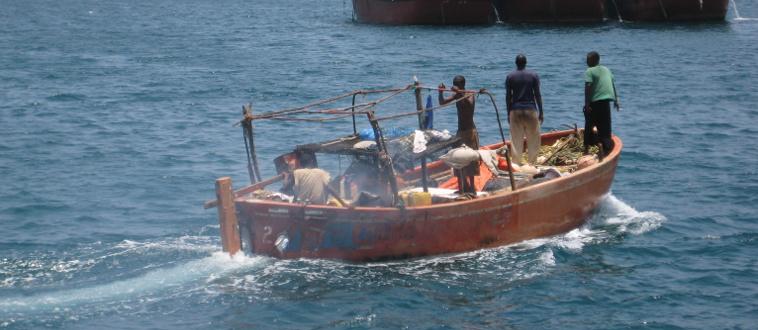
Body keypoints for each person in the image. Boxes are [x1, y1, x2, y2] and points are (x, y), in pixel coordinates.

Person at [439, 75, 479, 194]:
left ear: (462, 85)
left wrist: (460, 93)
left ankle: (472, 188)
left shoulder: (469, 94)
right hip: (460, 132)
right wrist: (440, 92)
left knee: (471, 160)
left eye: (457, 84)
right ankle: (462, 187)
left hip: (470, 132)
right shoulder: (457, 94)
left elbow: (470, 105)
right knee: (458, 160)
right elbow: (442, 103)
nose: (455, 86)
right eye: (454, 84)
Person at [505, 54, 543, 165]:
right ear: (526, 63)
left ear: (516, 63)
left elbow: (508, 96)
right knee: (533, 139)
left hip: (515, 110)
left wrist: (508, 112)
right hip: (530, 109)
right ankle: (532, 163)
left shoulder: (510, 76)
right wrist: (541, 112)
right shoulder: (533, 75)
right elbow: (537, 95)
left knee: (516, 140)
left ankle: (516, 164)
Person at [583, 51, 620, 155]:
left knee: (589, 126)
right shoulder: (607, 70)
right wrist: (617, 100)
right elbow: (613, 85)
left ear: (592, 61)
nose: (586, 62)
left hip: (595, 103)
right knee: (605, 128)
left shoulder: (589, 71)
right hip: (606, 103)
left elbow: (588, 87)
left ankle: (586, 151)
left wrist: (587, 104)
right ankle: (606, 150)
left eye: (588, 60)